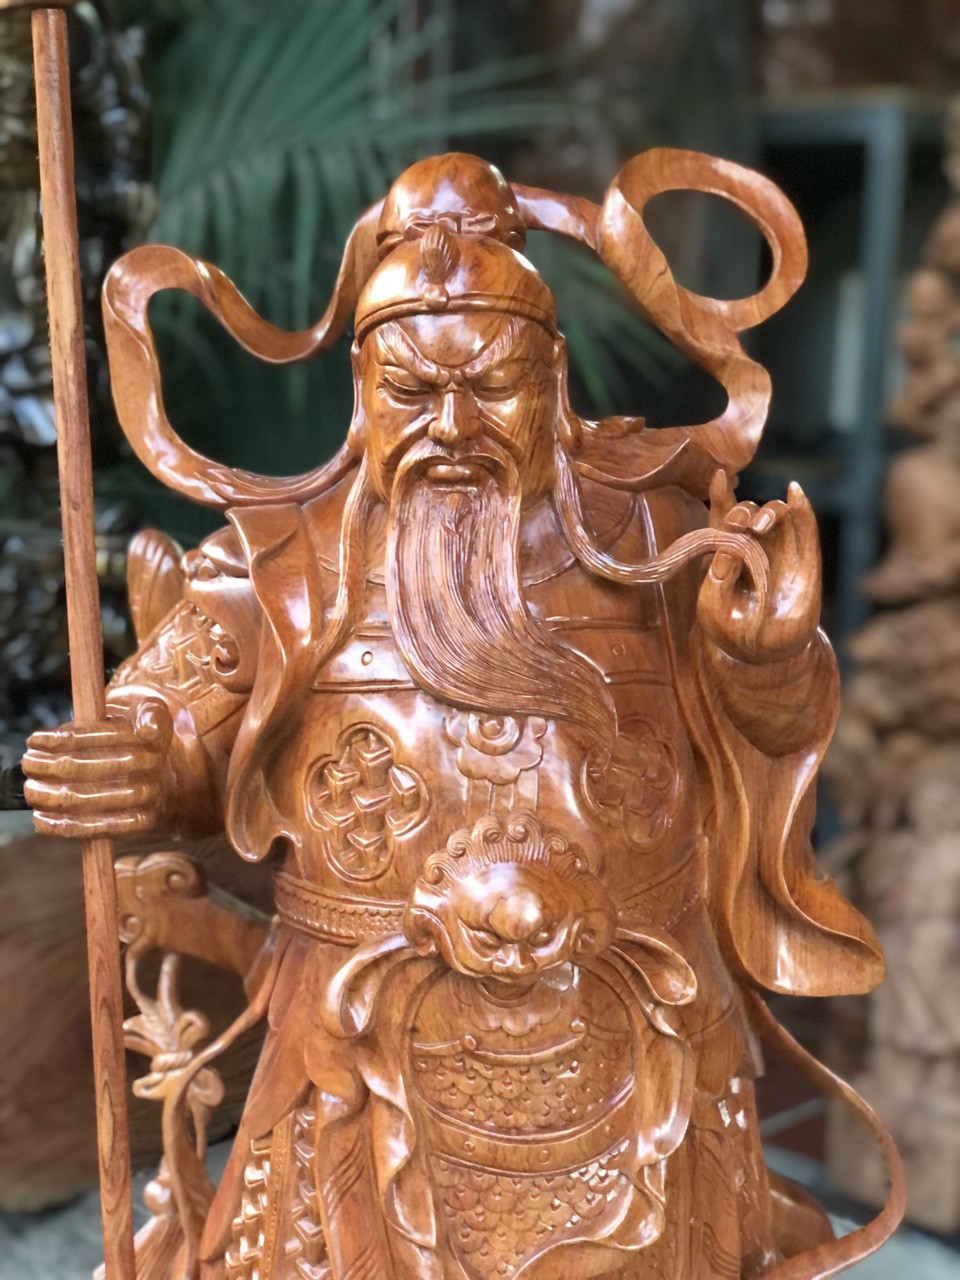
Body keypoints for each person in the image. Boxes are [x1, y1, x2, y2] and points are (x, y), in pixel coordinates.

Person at [24, 152, 889, 1280]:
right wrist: (138, 759)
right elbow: (176, 715)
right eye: (410, 389)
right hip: (361, 1039)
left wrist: (766, 661)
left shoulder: (658, 541)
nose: (450, 422)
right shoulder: (283, 565)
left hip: (633, 1029)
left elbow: (758, 740)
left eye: (491, 386)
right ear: (361, 388)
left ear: (553, 378)